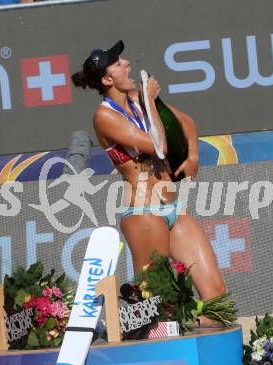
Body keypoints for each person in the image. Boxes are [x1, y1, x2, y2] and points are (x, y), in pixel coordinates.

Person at [71, 41, 226, 323]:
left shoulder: (139, 102)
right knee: (158, 303)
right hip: (143, 212)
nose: (127, 63)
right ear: (107, 80)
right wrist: (151, 102)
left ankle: (196, 348)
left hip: (173, 208)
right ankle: (149, 345)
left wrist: (192, 157)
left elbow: (187, 123)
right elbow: (157, 146)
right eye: (118, 64)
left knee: (216, 297)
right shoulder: (104, 116)